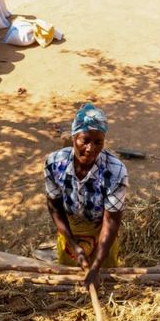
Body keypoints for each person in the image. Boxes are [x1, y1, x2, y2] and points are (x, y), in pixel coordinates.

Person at [44, 103, 128, 288]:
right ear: (74, 137)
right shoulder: (55, 164)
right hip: (69, 231)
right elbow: (55, 207)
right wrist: (74, 246)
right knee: (68, 283)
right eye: (85, 140)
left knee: (105, 283)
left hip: (101, 232)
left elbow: (112, 221)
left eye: (98, 142)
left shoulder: (115, 171)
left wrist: (95, 268)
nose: (91, 149)